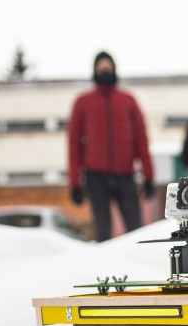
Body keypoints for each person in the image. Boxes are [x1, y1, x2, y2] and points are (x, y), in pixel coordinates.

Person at [68, 51, 155, 242]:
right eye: (101, 66)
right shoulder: (83, 102)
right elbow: (74, 144)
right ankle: (106, 269)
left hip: (125, 175)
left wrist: (148, 176)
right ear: (95, 71)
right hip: (95, 176)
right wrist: (75, 182)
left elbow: (141, 139)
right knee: (103, 232)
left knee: (136, 231)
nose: (105, 69)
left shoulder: (128, 100)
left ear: (115, 69)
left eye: (108, 66)